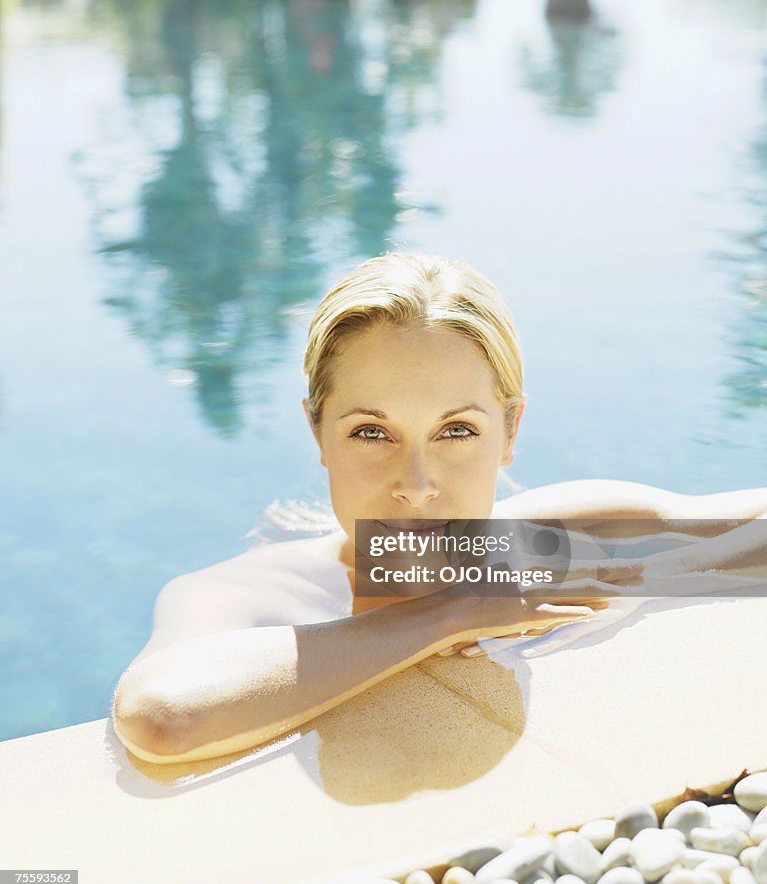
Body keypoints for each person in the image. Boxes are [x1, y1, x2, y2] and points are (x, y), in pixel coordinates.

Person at [111, 252, 767, 765]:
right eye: (372, 432)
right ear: (317, 431)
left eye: (456, 431)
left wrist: (630, 576)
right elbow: (164, 719)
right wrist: (455, 611)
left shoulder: (546, 538)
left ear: (510, 432)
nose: (416, 484)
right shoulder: (248, 595)